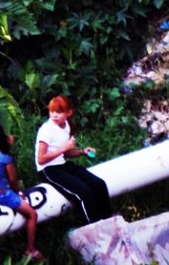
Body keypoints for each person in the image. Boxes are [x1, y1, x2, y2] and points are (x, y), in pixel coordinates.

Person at [35, 95, 112, 224]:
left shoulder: (67, 126)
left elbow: (67, 153)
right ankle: (94, 228)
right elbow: (41, 159)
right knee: (85, 194)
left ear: (68, 113)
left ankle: (109, 222)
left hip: (62, 165)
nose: (54, 115)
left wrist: (83, 152)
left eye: (59, 112)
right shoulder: (46, 130)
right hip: (48, 170)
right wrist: (64, 149)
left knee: (99, 185)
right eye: (51, 111)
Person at [0, 123, 44, 261]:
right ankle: (30, 249)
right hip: (1, 195)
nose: (12, 136)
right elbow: (13, 180)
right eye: (8, 134)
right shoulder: (5, 158)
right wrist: (19, 193)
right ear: (3, 139)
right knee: (32, 214)